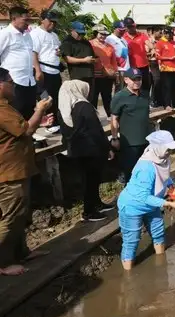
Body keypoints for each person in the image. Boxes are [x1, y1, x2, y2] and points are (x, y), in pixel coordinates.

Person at [0, 68, 53, 276]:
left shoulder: (6, 107)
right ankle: (2, 264)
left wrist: (39, 118)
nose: (14, 85)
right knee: (10, 217)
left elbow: (21, 130)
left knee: (20, 214)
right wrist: (39, 109)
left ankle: (21, 252)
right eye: (10, 82)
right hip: (8, 173)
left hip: (17, 170)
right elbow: (26, 130)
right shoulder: (1, 109)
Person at [117, 130, 175, 270]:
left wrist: (170, 183)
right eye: (167, 149)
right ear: (157, 147)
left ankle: (161, 265)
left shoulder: (162, 158)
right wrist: (166, 202)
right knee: (132, 241)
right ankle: (129, 277)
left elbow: (162, 175)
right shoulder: (146, 167)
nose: (169, 152)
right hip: (132, 206)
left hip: (152, 202)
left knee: (158, 232)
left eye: (170, 149)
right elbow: (142, 197)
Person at [57, 80, 113, 222]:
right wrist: (107, 148)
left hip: (77, 150)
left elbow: (66, 132)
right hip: (91, 150)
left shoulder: (64, 109)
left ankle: (97, 204)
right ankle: (89, 212)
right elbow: (96, 131)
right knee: (92, 181)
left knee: (88, 180)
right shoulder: (84, 107)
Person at [110, 68, 152, 184]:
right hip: (129, 142)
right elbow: (114, 119)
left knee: (146, 171)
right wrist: (114, 138)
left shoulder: (145, 94)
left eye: (139, 79)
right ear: (126, 80)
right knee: (131, 173)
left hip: (146, 140)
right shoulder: (120, 97)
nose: (137, 82)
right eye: (134, 80)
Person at [0, 7, 37, 119]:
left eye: (29, 20)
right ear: (14, 18)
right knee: (16, 113)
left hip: (29, 80)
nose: (28, 23)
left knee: (29, 111)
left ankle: (29, 136)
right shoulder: (5, 34)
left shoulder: (28, 36)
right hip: (14, 81)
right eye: (25, 20)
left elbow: (31, 54)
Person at [30, 10, 62, 122]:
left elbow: (57, 49)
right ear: (42, 20)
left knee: (56, 97)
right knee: (45, 98)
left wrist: (59, 53)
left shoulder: (54, 35)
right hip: (43, 71)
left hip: (55, 71)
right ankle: (48, 121)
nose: (53, 24)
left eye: (55, 22)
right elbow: (33, 53)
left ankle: (55, 122)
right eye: (50, 21)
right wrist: (38, 71)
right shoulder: (35, 34)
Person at [61, 21, 96, 99]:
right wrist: (84, 60)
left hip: (89, 75)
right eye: (79, 33)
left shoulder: (86, 42)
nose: (81, 35)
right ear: (72, 30)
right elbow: (68, 59)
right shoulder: (67, 42)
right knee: (79, 99)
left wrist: (94, 60)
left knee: (90, 99)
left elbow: (92, 56)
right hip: (77, 76)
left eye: (83, 34)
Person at [89, 24, 117, 117]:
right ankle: (93, 117)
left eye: (105, 35)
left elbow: (114, 63)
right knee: (93, 98)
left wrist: (114, 73)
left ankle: (111, 116)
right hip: (94, 76)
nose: (103, 36)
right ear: (96, 33)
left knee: (107, 97)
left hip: (107, 76)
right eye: (101, 34)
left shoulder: (110, 47)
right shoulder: (90, 44)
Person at [123, 17, 151, 92]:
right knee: (132, 86)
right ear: (126, 27)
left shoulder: (142, 35)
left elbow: (148, 43)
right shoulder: (123, 38)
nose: (132, 28)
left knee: (145, 86)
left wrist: (153, 48)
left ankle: (145, 102)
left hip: (143, 66)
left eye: (133, 26)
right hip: (130, 67)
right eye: (129, 27)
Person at [155, 28, 175, 110]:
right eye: (169, 34)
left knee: (174, 87)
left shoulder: (173, 42)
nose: (171, 36)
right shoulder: (160, 43)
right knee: (167, 87)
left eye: (172, 35)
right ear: (165, 34)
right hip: (165, 69)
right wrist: (170, 58)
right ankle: (167, 104)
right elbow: (157, 56)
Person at [105, 21, 130, 91]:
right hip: (118, 70)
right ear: (115, 29)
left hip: (126, 68)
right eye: (120, 30)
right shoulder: (109, 39)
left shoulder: (123, 39)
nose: (122, 32)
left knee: (125, 90)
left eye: (124, 30)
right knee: (119, 90)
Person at [146, 29, 162, 108]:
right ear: (153, 32)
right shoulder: (148, 42)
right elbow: (145, 53)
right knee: (152, 82)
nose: (161, 33)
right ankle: (149, 101)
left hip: (159, 64)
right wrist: (152, 52)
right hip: (151, 63)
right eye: (159, 32)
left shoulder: (159, 41)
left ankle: (154, 100)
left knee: (157, 82)